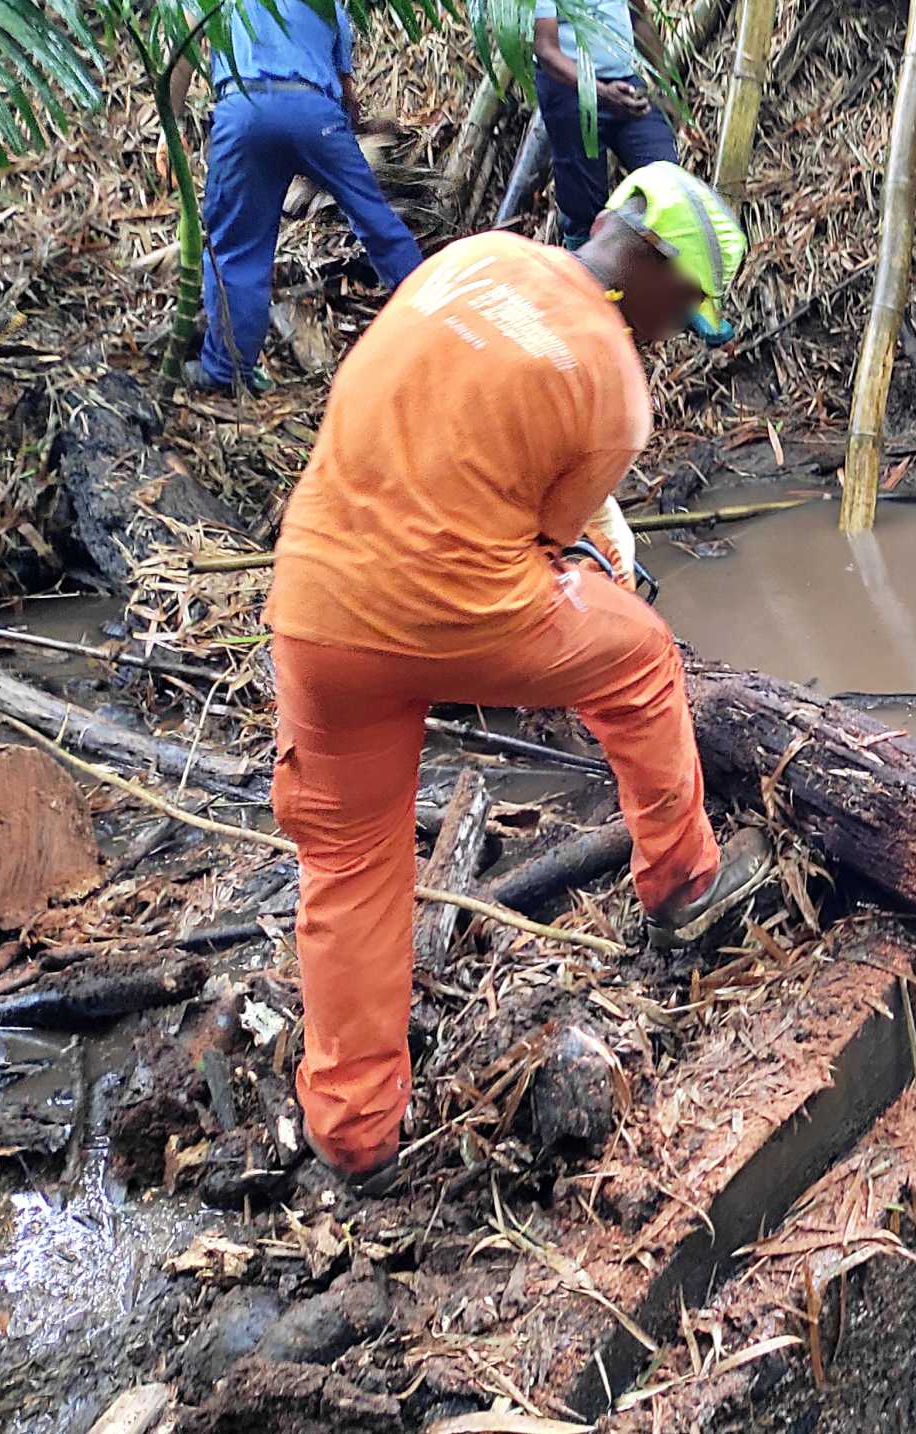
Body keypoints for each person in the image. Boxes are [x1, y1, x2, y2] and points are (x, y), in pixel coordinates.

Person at [264, 163, 762, 1190]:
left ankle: (354, 1134)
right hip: (451, 614)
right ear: (655, 266)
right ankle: (683, 880)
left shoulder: (476, 258)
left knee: (352, 865)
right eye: (685, 309)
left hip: (314, 605)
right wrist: (612, 578)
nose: (675, 333)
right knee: (638, 660)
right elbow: (552, 546)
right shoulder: (613, 388)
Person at [182, 0, 424, 394]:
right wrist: (339, 137)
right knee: (376, 222)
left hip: (245, 111)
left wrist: (170, 123)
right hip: (314, 111)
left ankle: (226, 371)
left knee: (236, 249)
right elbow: (347, 90)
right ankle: (434, 317)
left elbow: (185, 45)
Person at [534, 0, 678, 249]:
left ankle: (654, 266)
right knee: (582, 204)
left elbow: (638, 17)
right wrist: (600, 92)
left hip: (623, 80)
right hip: (567, 90)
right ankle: (582, 273)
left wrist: (666, 86)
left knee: (666, 174)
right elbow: (546, 49)